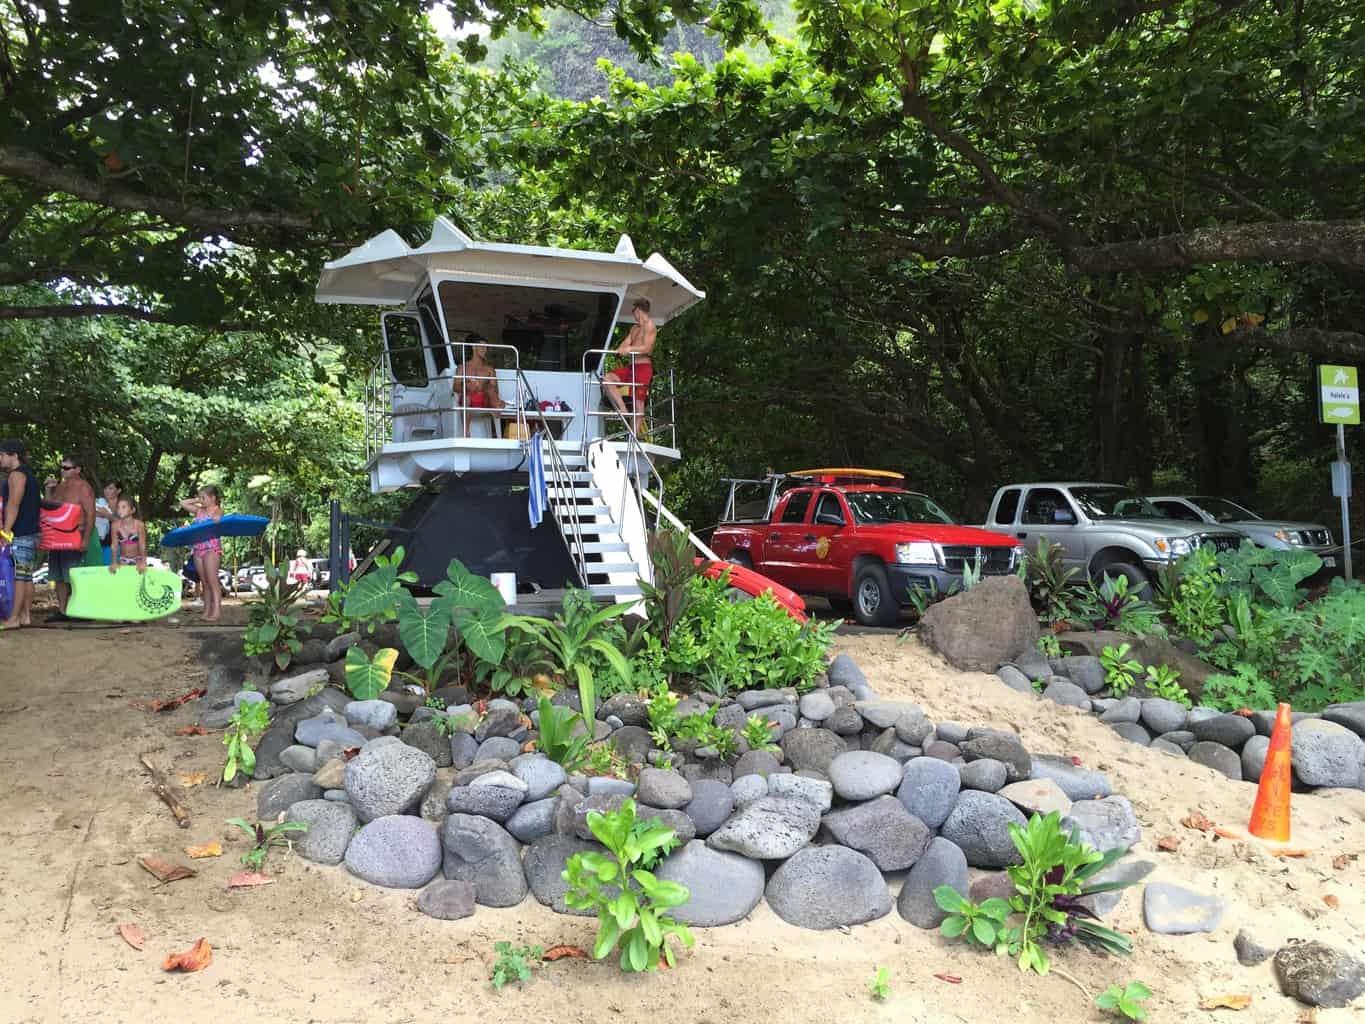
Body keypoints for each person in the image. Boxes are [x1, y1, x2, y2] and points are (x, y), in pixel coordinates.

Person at [44, 454, 96, 616]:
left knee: (73, 575)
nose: (62, 471)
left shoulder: (83, 487)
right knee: (58, 576)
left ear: (77, 470)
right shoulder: (59, 486)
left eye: (66, 468)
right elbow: (49, 508)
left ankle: (78, 608)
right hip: (56, 538)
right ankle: (63, 610)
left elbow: (91, 514)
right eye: (61, 467)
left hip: (75, 535)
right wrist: (48, 490)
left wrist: (86, 539)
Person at [0, 439, 41, 629]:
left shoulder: (16, 475)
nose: (0, 459)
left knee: (19, 576)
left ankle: (14, 618)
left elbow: (13, 504)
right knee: (26, 576)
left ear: (14, 455)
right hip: (31, 532)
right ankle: (25, 615)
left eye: (2, 455)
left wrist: (5, 531)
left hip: (21, 533)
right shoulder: (29, 475)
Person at [601, 297, 657, 437]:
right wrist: (625, 348)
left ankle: (634, 436)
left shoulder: (650, 326)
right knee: (607, 379)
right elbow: (623, 346)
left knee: (639, 403)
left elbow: (647, 349)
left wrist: (629, 348)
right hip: (631, 366)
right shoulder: (634, 328)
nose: (633, 314)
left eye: (633, 311)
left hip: (644, 367)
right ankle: (622, 408)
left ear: (638, 310)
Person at [178, 485, 223, 622]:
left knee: (212, 581)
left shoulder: (217, 510)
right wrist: (197, 499)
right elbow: (183, 503)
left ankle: (216, 612)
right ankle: (206, 611)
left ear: (213, 498)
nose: (201, 500)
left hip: (211, 549)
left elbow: (217, 520)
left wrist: (214, 516)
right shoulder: (198, 511)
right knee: (204, 582)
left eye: (204, 497)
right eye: (200, 497)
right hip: (198, 549)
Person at [458, 334, 505, 434]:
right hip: (469, 398)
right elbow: (455, 386)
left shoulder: (489, 369)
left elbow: (495, 390)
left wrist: (482, 387)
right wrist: (468, 385)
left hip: (485, 400)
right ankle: (466, 433)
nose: (485, 349)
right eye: (481, 346)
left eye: (486, 347)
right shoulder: (462, 367)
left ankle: (497, 412)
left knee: (491, 390)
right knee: (466, 397)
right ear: (473, 347)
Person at [109, 496, 147, 574]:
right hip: (123, 559)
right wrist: (114, 562)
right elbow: (114, 545)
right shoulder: (115, 525)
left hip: (138, 560)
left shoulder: (139, 525)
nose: (120, 510)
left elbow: (142, 544)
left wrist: (144, 562)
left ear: (132, 510)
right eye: (118, 507)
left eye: (123, 507)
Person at [94, 480, 123, 566]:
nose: (107, 490)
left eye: (110, 488)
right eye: (105, 488)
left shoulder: (123, 505)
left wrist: (106, 514)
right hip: (99, 542)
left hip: (117, 544)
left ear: (118, 491)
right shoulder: (99, 502)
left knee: (109, 571)